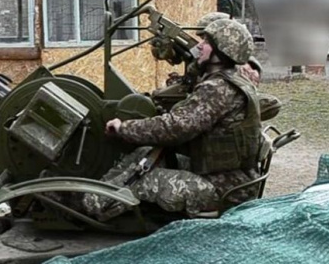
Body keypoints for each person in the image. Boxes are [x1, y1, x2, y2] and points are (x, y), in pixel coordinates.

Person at [82, 19, 263, 221]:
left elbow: (174, 128)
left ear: (222, 51)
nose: (199, 46)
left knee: (146, 180)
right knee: (144, 153)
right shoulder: (230, 80)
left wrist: (123, 128)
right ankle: (97, 190)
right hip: (224, 177)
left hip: (224, 190)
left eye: (206, 42)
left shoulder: (218, 89)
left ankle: (91, 208)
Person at [151, 11, 281, 121]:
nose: (200, 44)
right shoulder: (207, 55)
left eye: (207, 39)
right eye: (202, 38)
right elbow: (183, 58)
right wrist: (168, 49)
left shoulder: (243, 66)